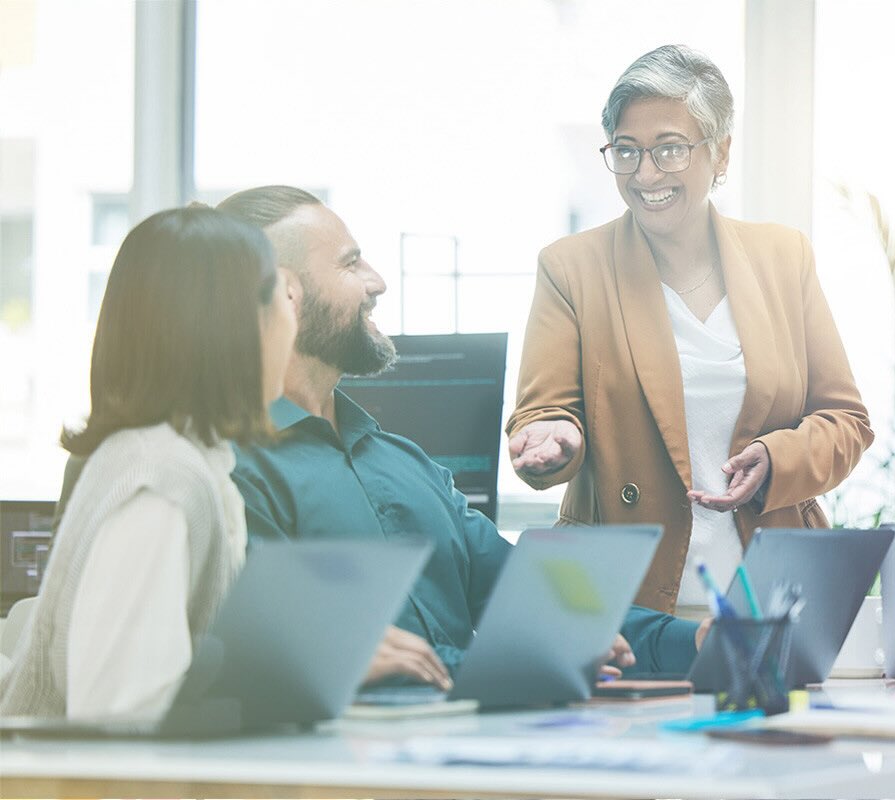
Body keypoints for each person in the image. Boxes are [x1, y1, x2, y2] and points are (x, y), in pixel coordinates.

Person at [218, 185, 706, 685]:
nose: (377, 282)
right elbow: (290, 651)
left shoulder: (404, 462)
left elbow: (532, 594)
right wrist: (532, 656)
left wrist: (694, 643)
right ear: (286, 295)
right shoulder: (232, 475)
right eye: (350, 264)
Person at [506, 45, 874, 618]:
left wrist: (776, 458)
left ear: (720, 152)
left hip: (774, 596)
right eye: (626, 152)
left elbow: (846, 422)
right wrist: (556, 438)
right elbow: (543, 413)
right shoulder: (571, 267)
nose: (645, 174)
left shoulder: (783, 257)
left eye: (669, 150)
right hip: (626, 605)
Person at [0, 206, 297, 718]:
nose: (294, 318)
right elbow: (118, 724)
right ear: (235, 323)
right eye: (285, 296)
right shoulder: (160, 481)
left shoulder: (179, 460)